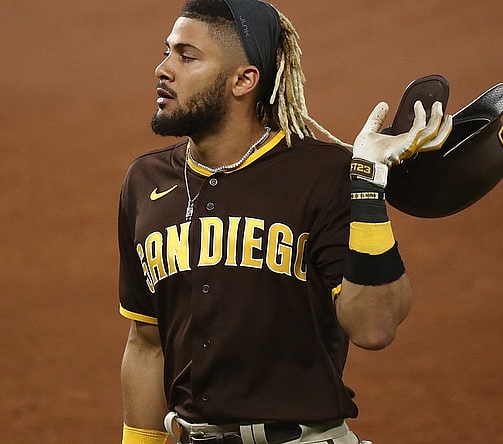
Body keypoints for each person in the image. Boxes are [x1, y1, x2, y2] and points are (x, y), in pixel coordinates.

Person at [117, 1, 451, 443]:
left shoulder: (322, 176)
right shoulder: (145, 182)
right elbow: (146, 342)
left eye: (186, 56)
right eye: (167, 52)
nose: (163, 68)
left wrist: (367, 187)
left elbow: (374, 327)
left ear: (244, 80)